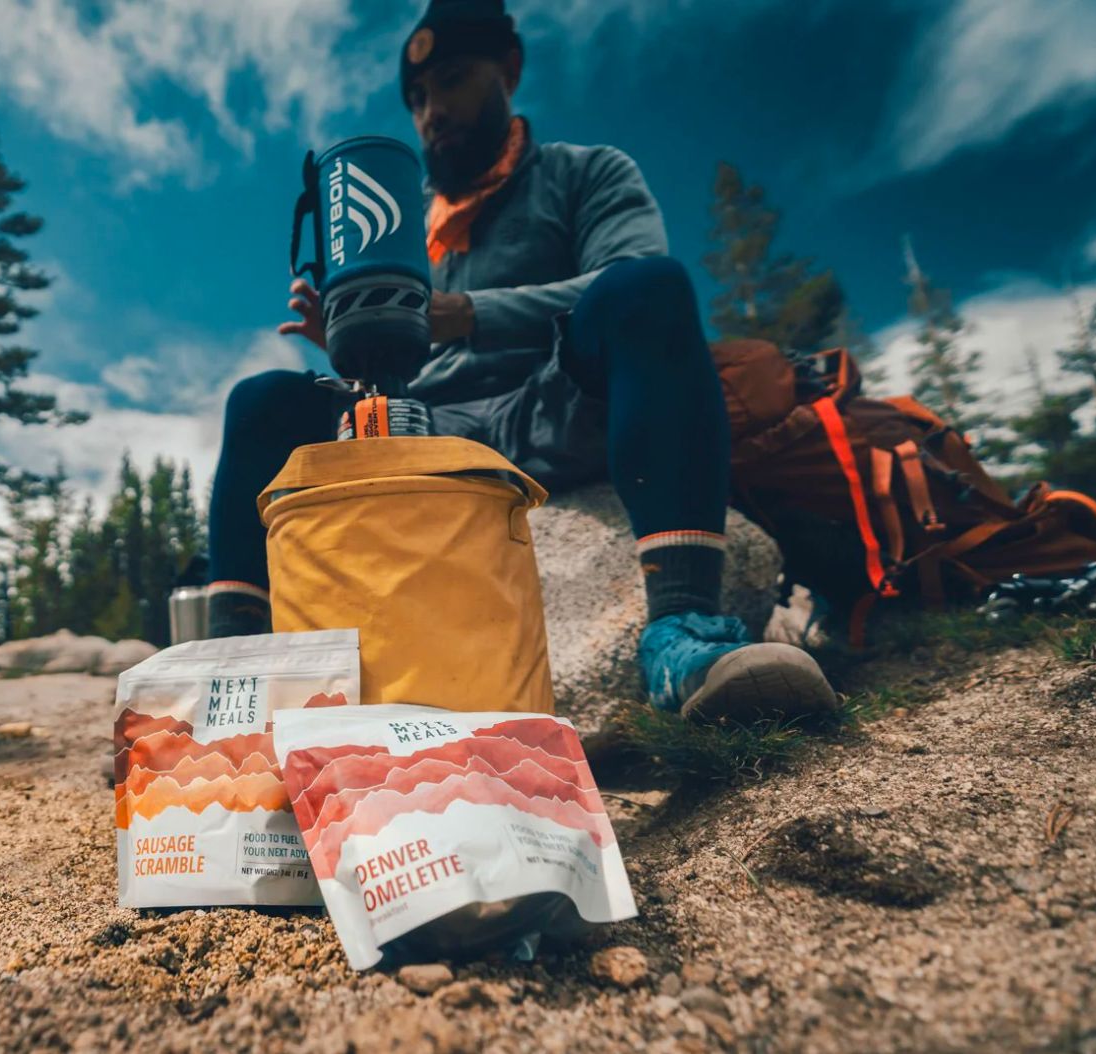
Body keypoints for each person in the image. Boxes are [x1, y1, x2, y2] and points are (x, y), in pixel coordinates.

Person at [205, 0, 837, 723]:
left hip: (554, 406)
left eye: (451, 82)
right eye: (417, 99)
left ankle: (682, 635)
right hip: (428, 432)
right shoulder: (403, 227)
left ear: (507, 70)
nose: (431, 111)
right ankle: (230, 691)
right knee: (262, 402)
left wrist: (464, 314)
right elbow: (388, 368)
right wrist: (357, 346)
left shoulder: (583, 175)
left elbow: (625, 275)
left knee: (648, 287)